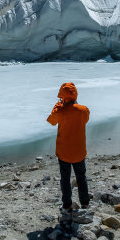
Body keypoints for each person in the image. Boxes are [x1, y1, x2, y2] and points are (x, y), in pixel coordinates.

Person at [46, 82, 90, 212]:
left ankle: (67, 204)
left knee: (65, 178)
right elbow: (85, 120)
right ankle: (85, 203)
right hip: (79, 151)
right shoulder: (84, 110)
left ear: (62, 96)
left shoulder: (60, 111)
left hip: (64, 151)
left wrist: (57, 107)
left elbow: (51, 121)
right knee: (81, 176)